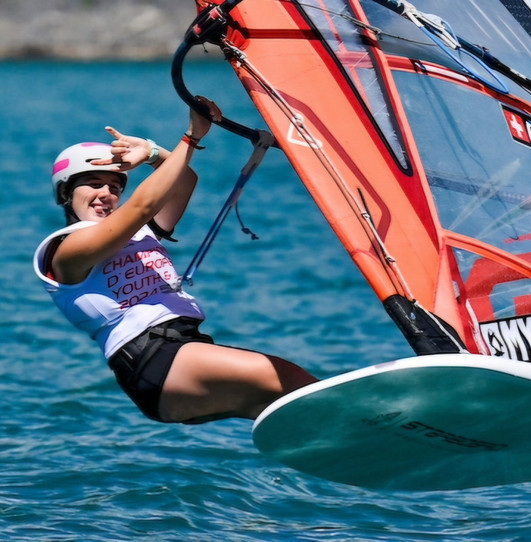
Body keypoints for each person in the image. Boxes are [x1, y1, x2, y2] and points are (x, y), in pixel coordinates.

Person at [34, 98, 318, 424]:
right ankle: (361, 421)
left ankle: (358, 454)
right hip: (153, 360)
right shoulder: (67, 250)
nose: (105, 193)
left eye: (114, 186)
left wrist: (154, 154)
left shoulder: (140, 233)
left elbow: (184, 182)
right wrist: (191, 136)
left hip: (183, 352)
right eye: (93, 184)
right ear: (66, 194)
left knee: (286, 409)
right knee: (282, 376)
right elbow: (142, 206)